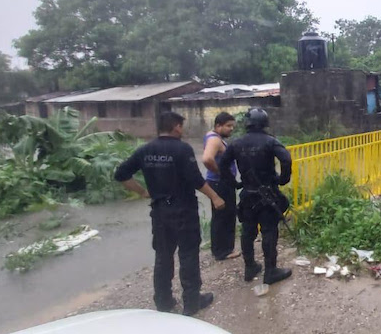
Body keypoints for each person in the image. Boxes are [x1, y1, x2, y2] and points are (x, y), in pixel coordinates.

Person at [114, 111, 225, 316]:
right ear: (175, 127)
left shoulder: (145, 150)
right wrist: (215, 197)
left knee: (163, 257)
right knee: (188, 255)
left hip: (160, 212)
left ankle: (163, 302)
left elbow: (120, 174)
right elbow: (195, 179)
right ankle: (191, 302)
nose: (182, 130)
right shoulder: (182, 149)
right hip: (183, 211)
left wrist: (142, 192)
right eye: (181, 126)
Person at [217, 108, 293, 285]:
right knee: (269, 231)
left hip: (247, 195)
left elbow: (223, 165)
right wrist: (283, 179)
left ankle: (250, 267)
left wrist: (234, 183)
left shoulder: (236, 143)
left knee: (248, 232)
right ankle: (270, 271)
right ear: (265, 123)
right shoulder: (270, 141)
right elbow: (286, 159)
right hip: (268, 195)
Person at [202, 112, 240, 261]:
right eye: (228, 126)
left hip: (218, 183)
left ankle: (220, 249)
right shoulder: (215, 140)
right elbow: (206, 159)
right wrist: (221, 172)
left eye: (232, 126)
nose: (231, 129)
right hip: (220, 183)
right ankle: (223, 251)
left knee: (222, 215)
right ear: (218, 125)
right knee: (225, 216)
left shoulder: (213, 137)